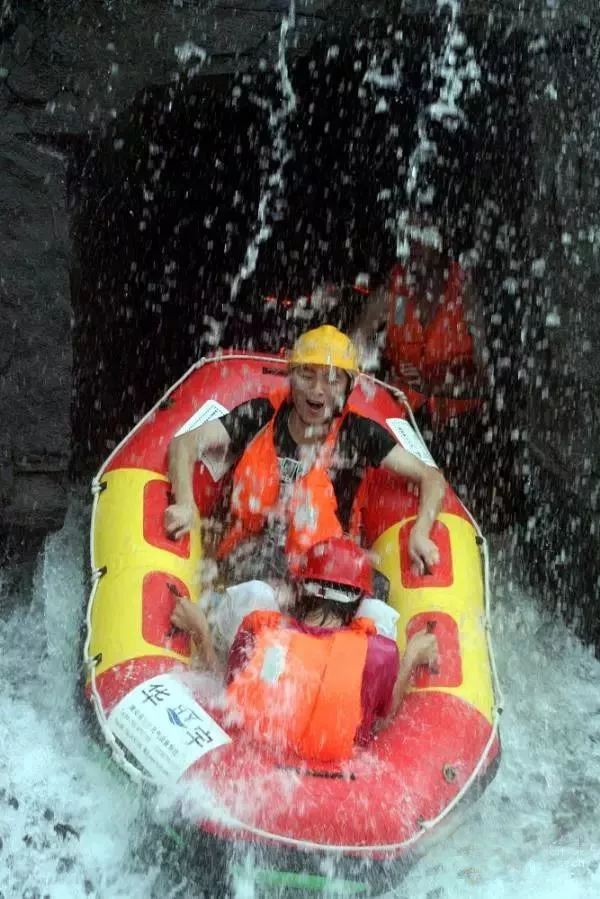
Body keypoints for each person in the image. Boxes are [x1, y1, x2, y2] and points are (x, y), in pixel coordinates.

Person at [164, 324, 447, 584]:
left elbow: (431, 477)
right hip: (252, 561)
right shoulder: (261, 413)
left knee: (377, 595)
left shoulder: (358, 432)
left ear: (350, 386)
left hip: (324, 567)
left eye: (332, 380)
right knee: (263, 572)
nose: (317, 390)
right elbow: (184, 443)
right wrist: (187, 504)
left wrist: (420, 532)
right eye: (306, 375)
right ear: (291, 376)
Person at [170, 537, 438, 762]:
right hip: (335, 779)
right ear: (357, 605)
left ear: (299, 593)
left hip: (257, 765)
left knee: (256, 593)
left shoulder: (258, 633)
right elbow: (383, 719)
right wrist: (412, 656)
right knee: (379, 614)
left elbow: (222, 691)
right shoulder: (377, 653)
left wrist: (199, 632)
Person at [352, 218, 489, 425]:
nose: (414, 240)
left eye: (423, 231)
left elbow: (486, 378)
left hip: (462, 421)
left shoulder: (465, 294)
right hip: (400, 418)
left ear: (442, 240)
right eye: (410, 232)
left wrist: (434, 386)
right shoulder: (394, 293)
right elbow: (353, 345)